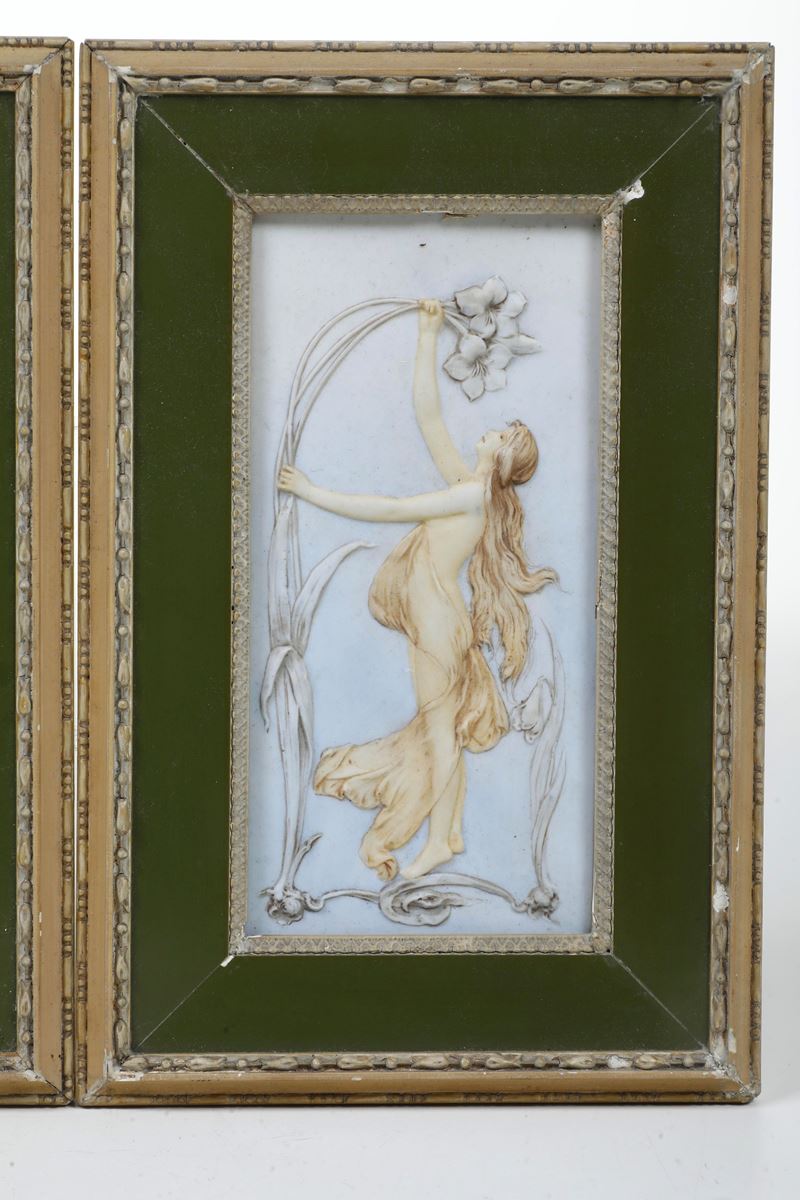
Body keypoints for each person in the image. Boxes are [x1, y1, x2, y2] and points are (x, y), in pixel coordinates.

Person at [277, 298, 555, 881]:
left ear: (502, 456)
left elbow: (390, 508)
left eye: (500, 433)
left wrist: (311, 492)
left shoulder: (470, 495)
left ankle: (426, 842)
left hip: (437, 626)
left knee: (438, 732)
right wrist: (427, 334)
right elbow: (429, 418)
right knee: (442, 727)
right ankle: (449, 834)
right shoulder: (471, 486)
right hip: (439, 619)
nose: (491, 429)